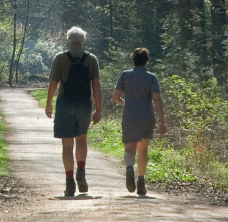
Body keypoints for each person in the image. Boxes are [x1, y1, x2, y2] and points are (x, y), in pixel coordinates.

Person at [44, 26, 101, 196]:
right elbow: (96, 85)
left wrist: (48, 103)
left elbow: (53, 83)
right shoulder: (91, 59)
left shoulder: (60, 58)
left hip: (65, 103)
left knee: (67, 144)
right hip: (84, 104)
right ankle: (81, 173)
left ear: (68, 41)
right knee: (81, 140)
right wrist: (98, 109)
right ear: (83, 41)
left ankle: (70, 182)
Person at [112, 47, 166, 196]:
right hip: (146, 115)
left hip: (130, 114)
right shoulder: (152, 78)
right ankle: (141, 181)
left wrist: (126, 104)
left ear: (133, 60)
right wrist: (162, 121)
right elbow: (156, 99)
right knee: (143, 149)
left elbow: (115, 97)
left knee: (129, 149)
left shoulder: (124, 75)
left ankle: (130, 168)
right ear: (146, 61)